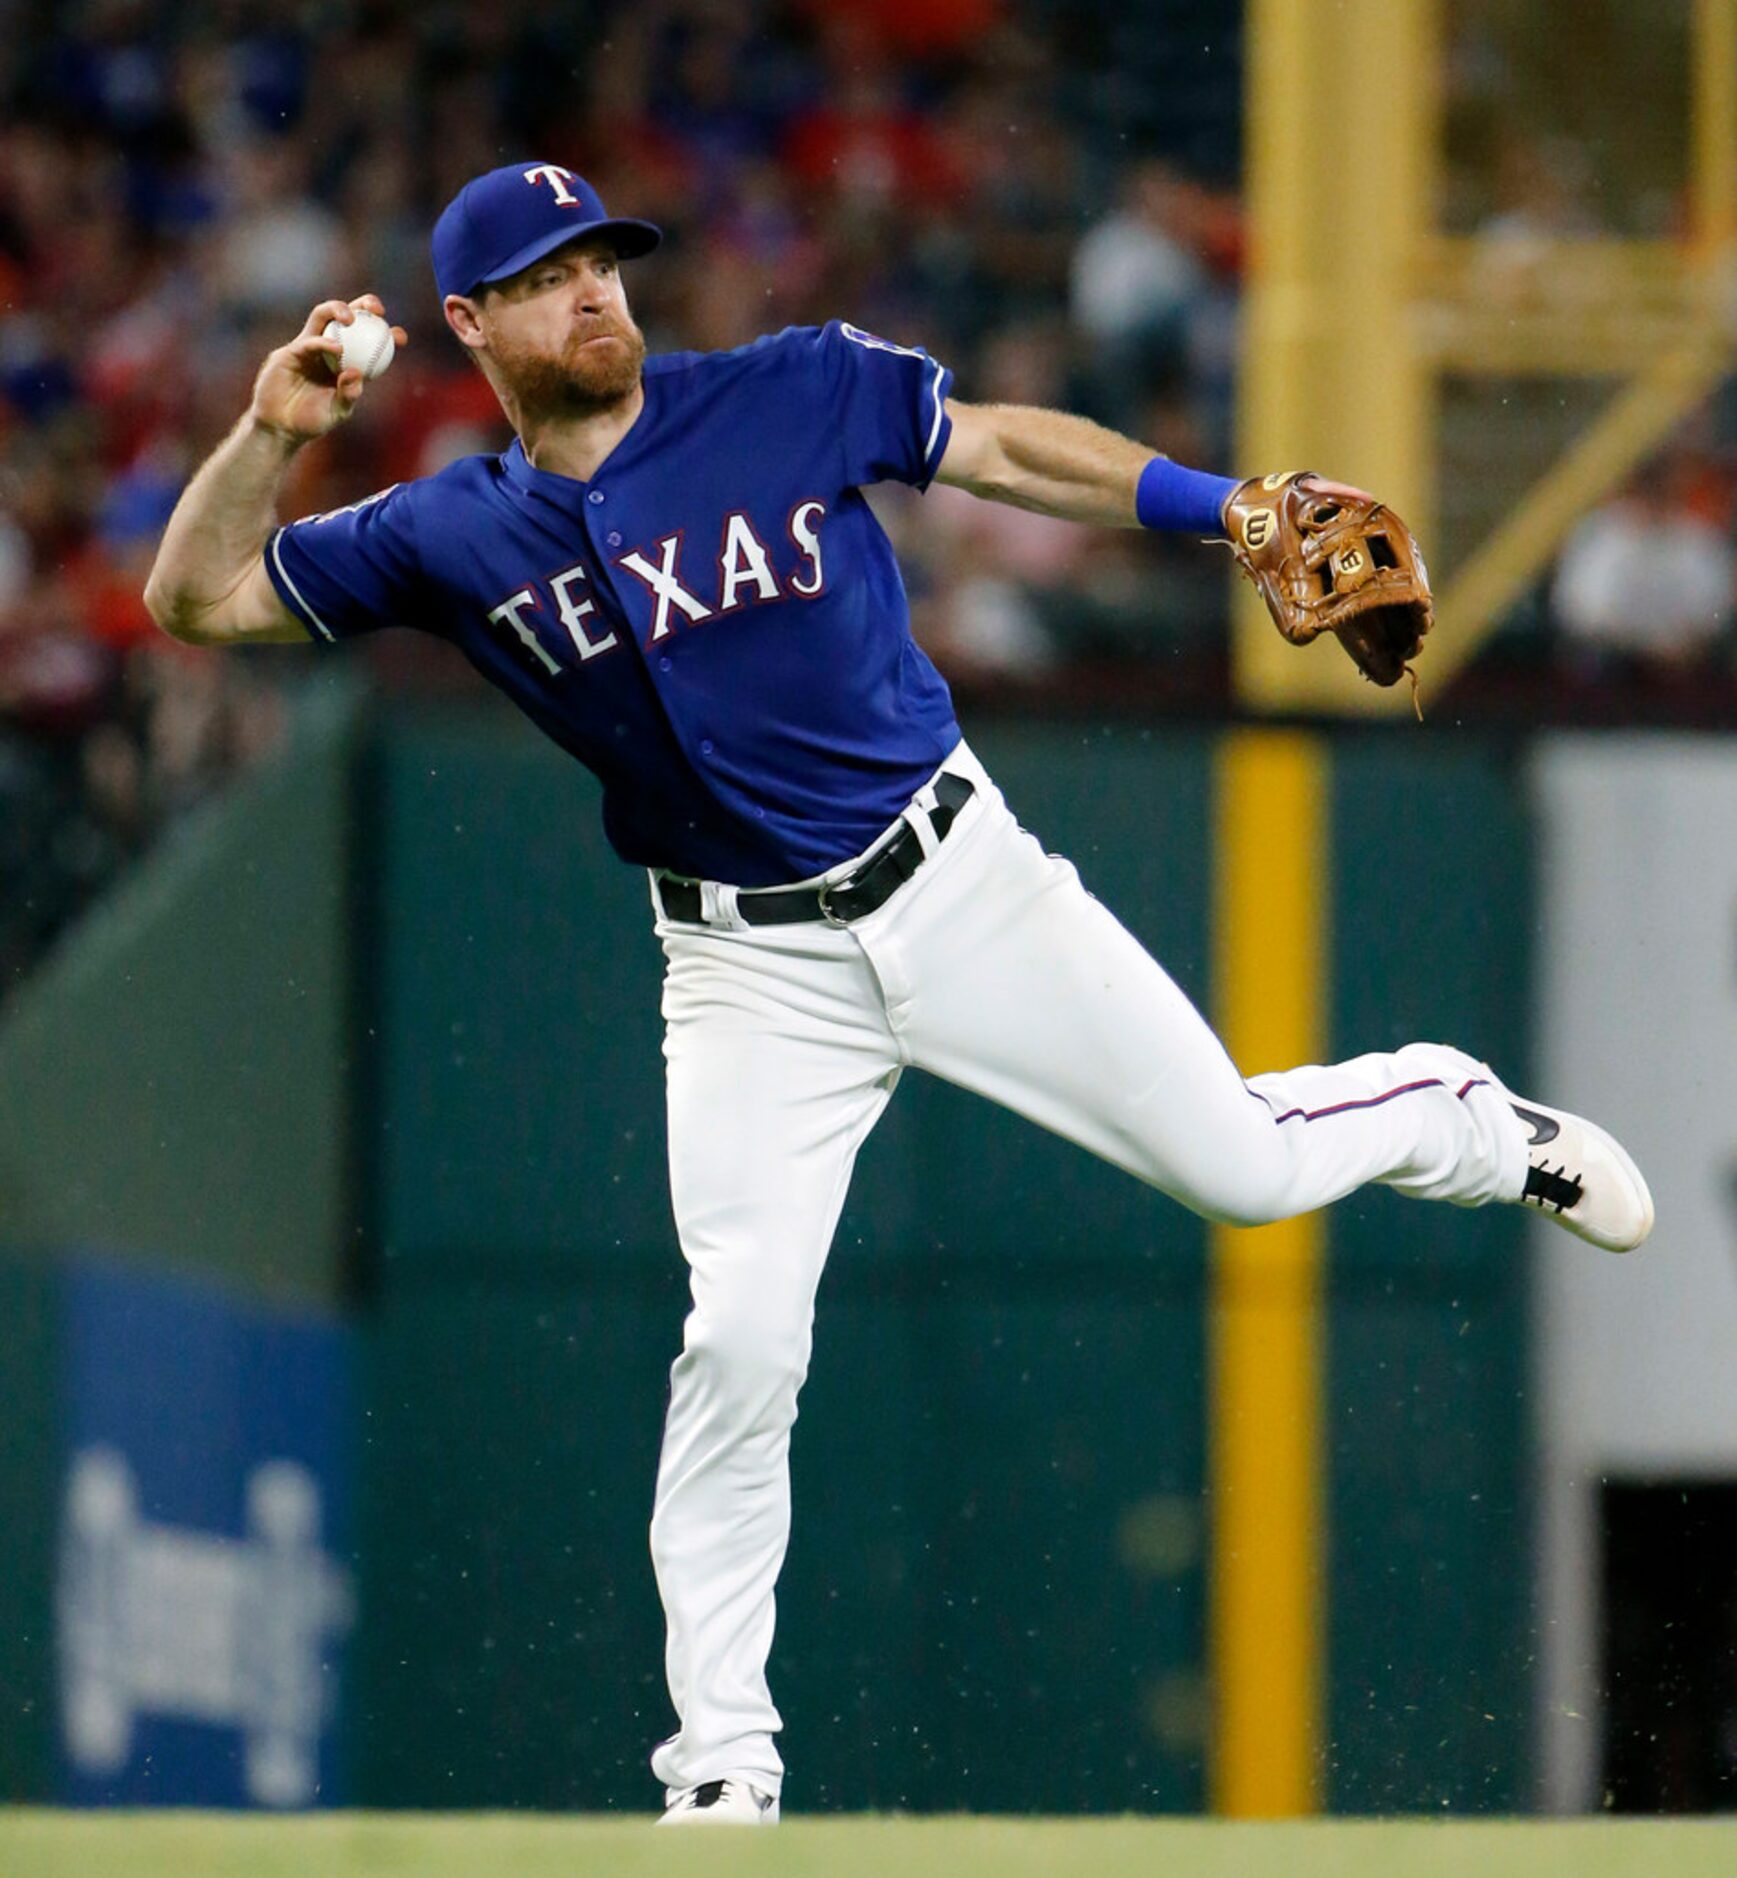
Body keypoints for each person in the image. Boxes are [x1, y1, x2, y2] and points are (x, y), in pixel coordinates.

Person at [143, 162, 1654, 1826]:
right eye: (552, 274)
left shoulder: (787, 390)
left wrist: (1223, 508)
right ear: (473, 321)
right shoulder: (446, 531)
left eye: (607, 263)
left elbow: (999, 445)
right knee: (737, 1337)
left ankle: (1450, 1109)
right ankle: (721, 1768)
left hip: (954, 877)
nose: (597, 294)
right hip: (742, 965)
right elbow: (197, 600)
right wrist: (274, 430)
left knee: (1240, 1164)